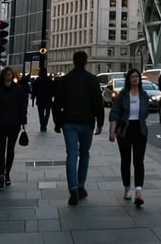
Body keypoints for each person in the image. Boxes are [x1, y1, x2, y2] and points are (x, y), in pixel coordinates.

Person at [52, 50, 105, 206]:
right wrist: (100, 122)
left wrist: (57, 122)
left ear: (73, 61)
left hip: (69, 122)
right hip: (87, 122)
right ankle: (81, 185)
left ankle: (73, 189)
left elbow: (57, 104)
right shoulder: (92, 80)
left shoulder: (65, 80)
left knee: (72, 154)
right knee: (85, 154)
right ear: (86, 61)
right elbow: (98, 103)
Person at [108, 68, 150, 206]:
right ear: (129, 79)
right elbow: (114, 113)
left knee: (139, 161)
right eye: (132, 76)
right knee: (126, 160)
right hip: (124, 130)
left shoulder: (143, 95)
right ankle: (127, 188)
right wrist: (112, 131)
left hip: (140, 129)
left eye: (137, 76)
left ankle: (139, 192)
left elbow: (145, 112)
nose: (135, 79)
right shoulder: (123, 95)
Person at [31, 68, 55, 132]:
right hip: (48, 100)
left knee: (41, 114)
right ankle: (45, 124)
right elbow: (53, 90)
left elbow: (34, 90)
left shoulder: (38, 80)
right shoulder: (49, 80)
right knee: (47, 113)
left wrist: (33, 98)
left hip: (40, 100)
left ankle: (42, 125)